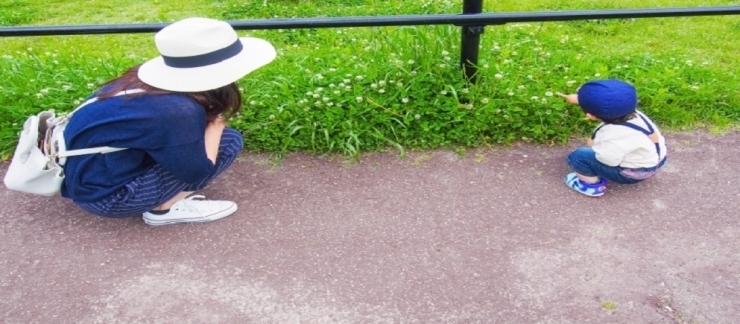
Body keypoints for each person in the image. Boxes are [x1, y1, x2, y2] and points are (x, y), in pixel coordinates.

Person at [60, 17, 277, 225]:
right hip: (109, 198)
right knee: (229, 141)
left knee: (201, 137)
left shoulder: (141, 83)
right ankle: (163, 210)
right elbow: (198, 172)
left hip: (82, 175)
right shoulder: (176, 110)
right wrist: (217, 124)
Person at [556, 79, 667, 197]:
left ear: (590, 116)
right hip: (656, 160)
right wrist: (579, 99)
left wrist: (594, 146)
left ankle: (591, 186)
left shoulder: (614, 136)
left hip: (634, 173)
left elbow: (608, 160)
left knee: (580, 156)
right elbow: (609, 103)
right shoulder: (631, 113)